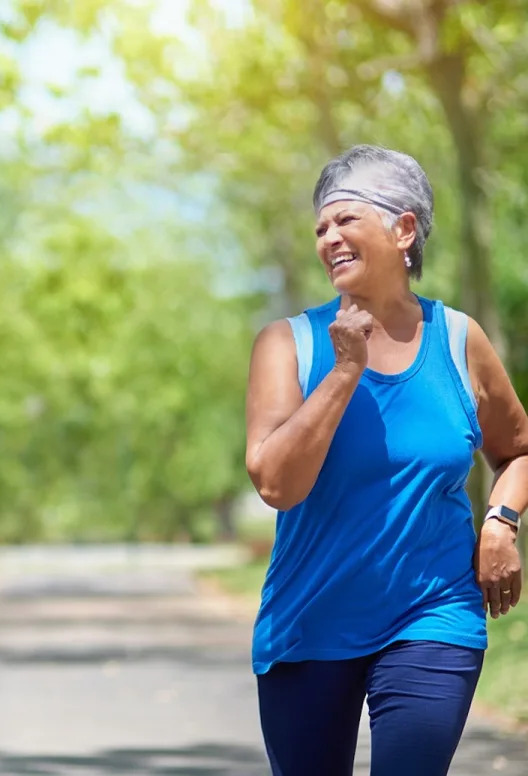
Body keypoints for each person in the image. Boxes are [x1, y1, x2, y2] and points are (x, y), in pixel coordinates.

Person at [244, 144, 528, 776]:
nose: (329, 237)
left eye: (346, 219)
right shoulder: (286, 344)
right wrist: (345, 371)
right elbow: (276, 486)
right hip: (309, 621)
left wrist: (501, 521)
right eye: (320, 226)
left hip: (434, 612)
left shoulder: (459, 340)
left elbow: (517, 450)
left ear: (404, 230)